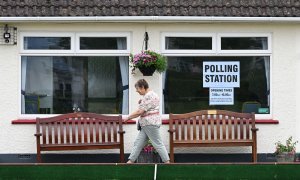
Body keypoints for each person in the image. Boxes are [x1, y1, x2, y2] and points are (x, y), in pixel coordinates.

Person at [123, 79, 170, 163]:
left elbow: (139, 112)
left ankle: (167, 162)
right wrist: (142, 101)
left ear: (142, 87)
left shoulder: (148, 96)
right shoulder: (153, 94)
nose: (138, 92)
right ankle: (130, 161)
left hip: (149, 123)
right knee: (138, 143)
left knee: (158, 144)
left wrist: (128, 118)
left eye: (138, 90)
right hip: (148, 124)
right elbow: (150, 106)